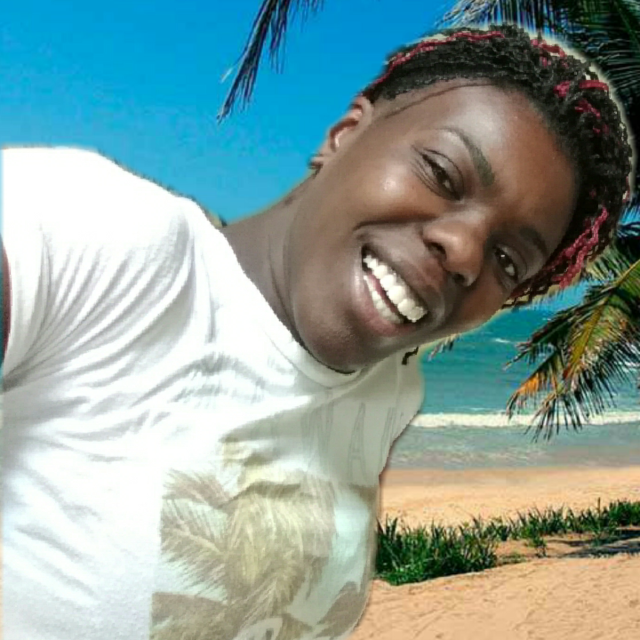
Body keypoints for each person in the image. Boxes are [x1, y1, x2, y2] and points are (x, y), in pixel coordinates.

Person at [1, 22, 634, 640]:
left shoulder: (385, 392)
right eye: (442, 174)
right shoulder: (107, 238)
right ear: (345, 134)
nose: (466, 252)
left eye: (507, 260)